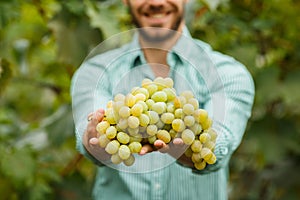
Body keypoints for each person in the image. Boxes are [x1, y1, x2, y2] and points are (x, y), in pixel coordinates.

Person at [71, 0, 255, 199]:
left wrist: (193, 150)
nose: (156, 2)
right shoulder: (95, 72)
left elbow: (219, 142)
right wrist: (95, 140)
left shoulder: (228, 73)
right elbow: (88, 131)